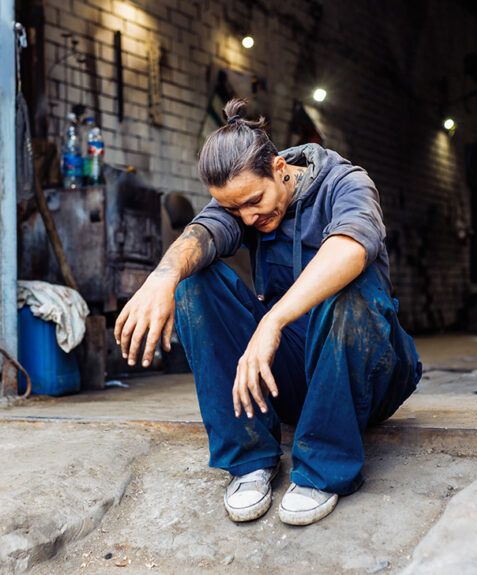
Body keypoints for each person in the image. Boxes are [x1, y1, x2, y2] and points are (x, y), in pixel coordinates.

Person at [114, 98, 421, 526]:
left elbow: (351, 247)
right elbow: (202, 232)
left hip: (372, 370)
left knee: (351, 287)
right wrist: (161, 279)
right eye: (235, 208)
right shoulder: (244, 199)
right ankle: (249, 460)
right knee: (193, 282)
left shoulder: (346, 183)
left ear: (279, 167)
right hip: (297, 376)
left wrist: (272, 321)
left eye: (254, 201)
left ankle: (322, 470)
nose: (248, 216)